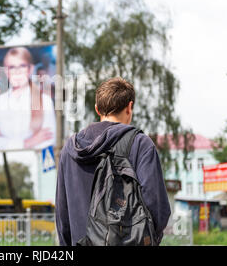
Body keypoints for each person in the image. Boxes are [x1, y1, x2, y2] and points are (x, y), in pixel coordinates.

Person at [55, 77, 171, 246]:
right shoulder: (140, 144)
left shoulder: (70, 149)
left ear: (97, 109)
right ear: (130, 107)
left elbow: (62, 215)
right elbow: (156, 207)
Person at [0, 47, 56, 150]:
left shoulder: (45, 101)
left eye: (22, 66)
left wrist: (3, 141)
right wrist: (27, 143)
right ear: (6, 71)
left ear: (30, 69)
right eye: (12, 67)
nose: (17, 72)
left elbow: (49, 141)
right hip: (2, 164)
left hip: (35, 163)